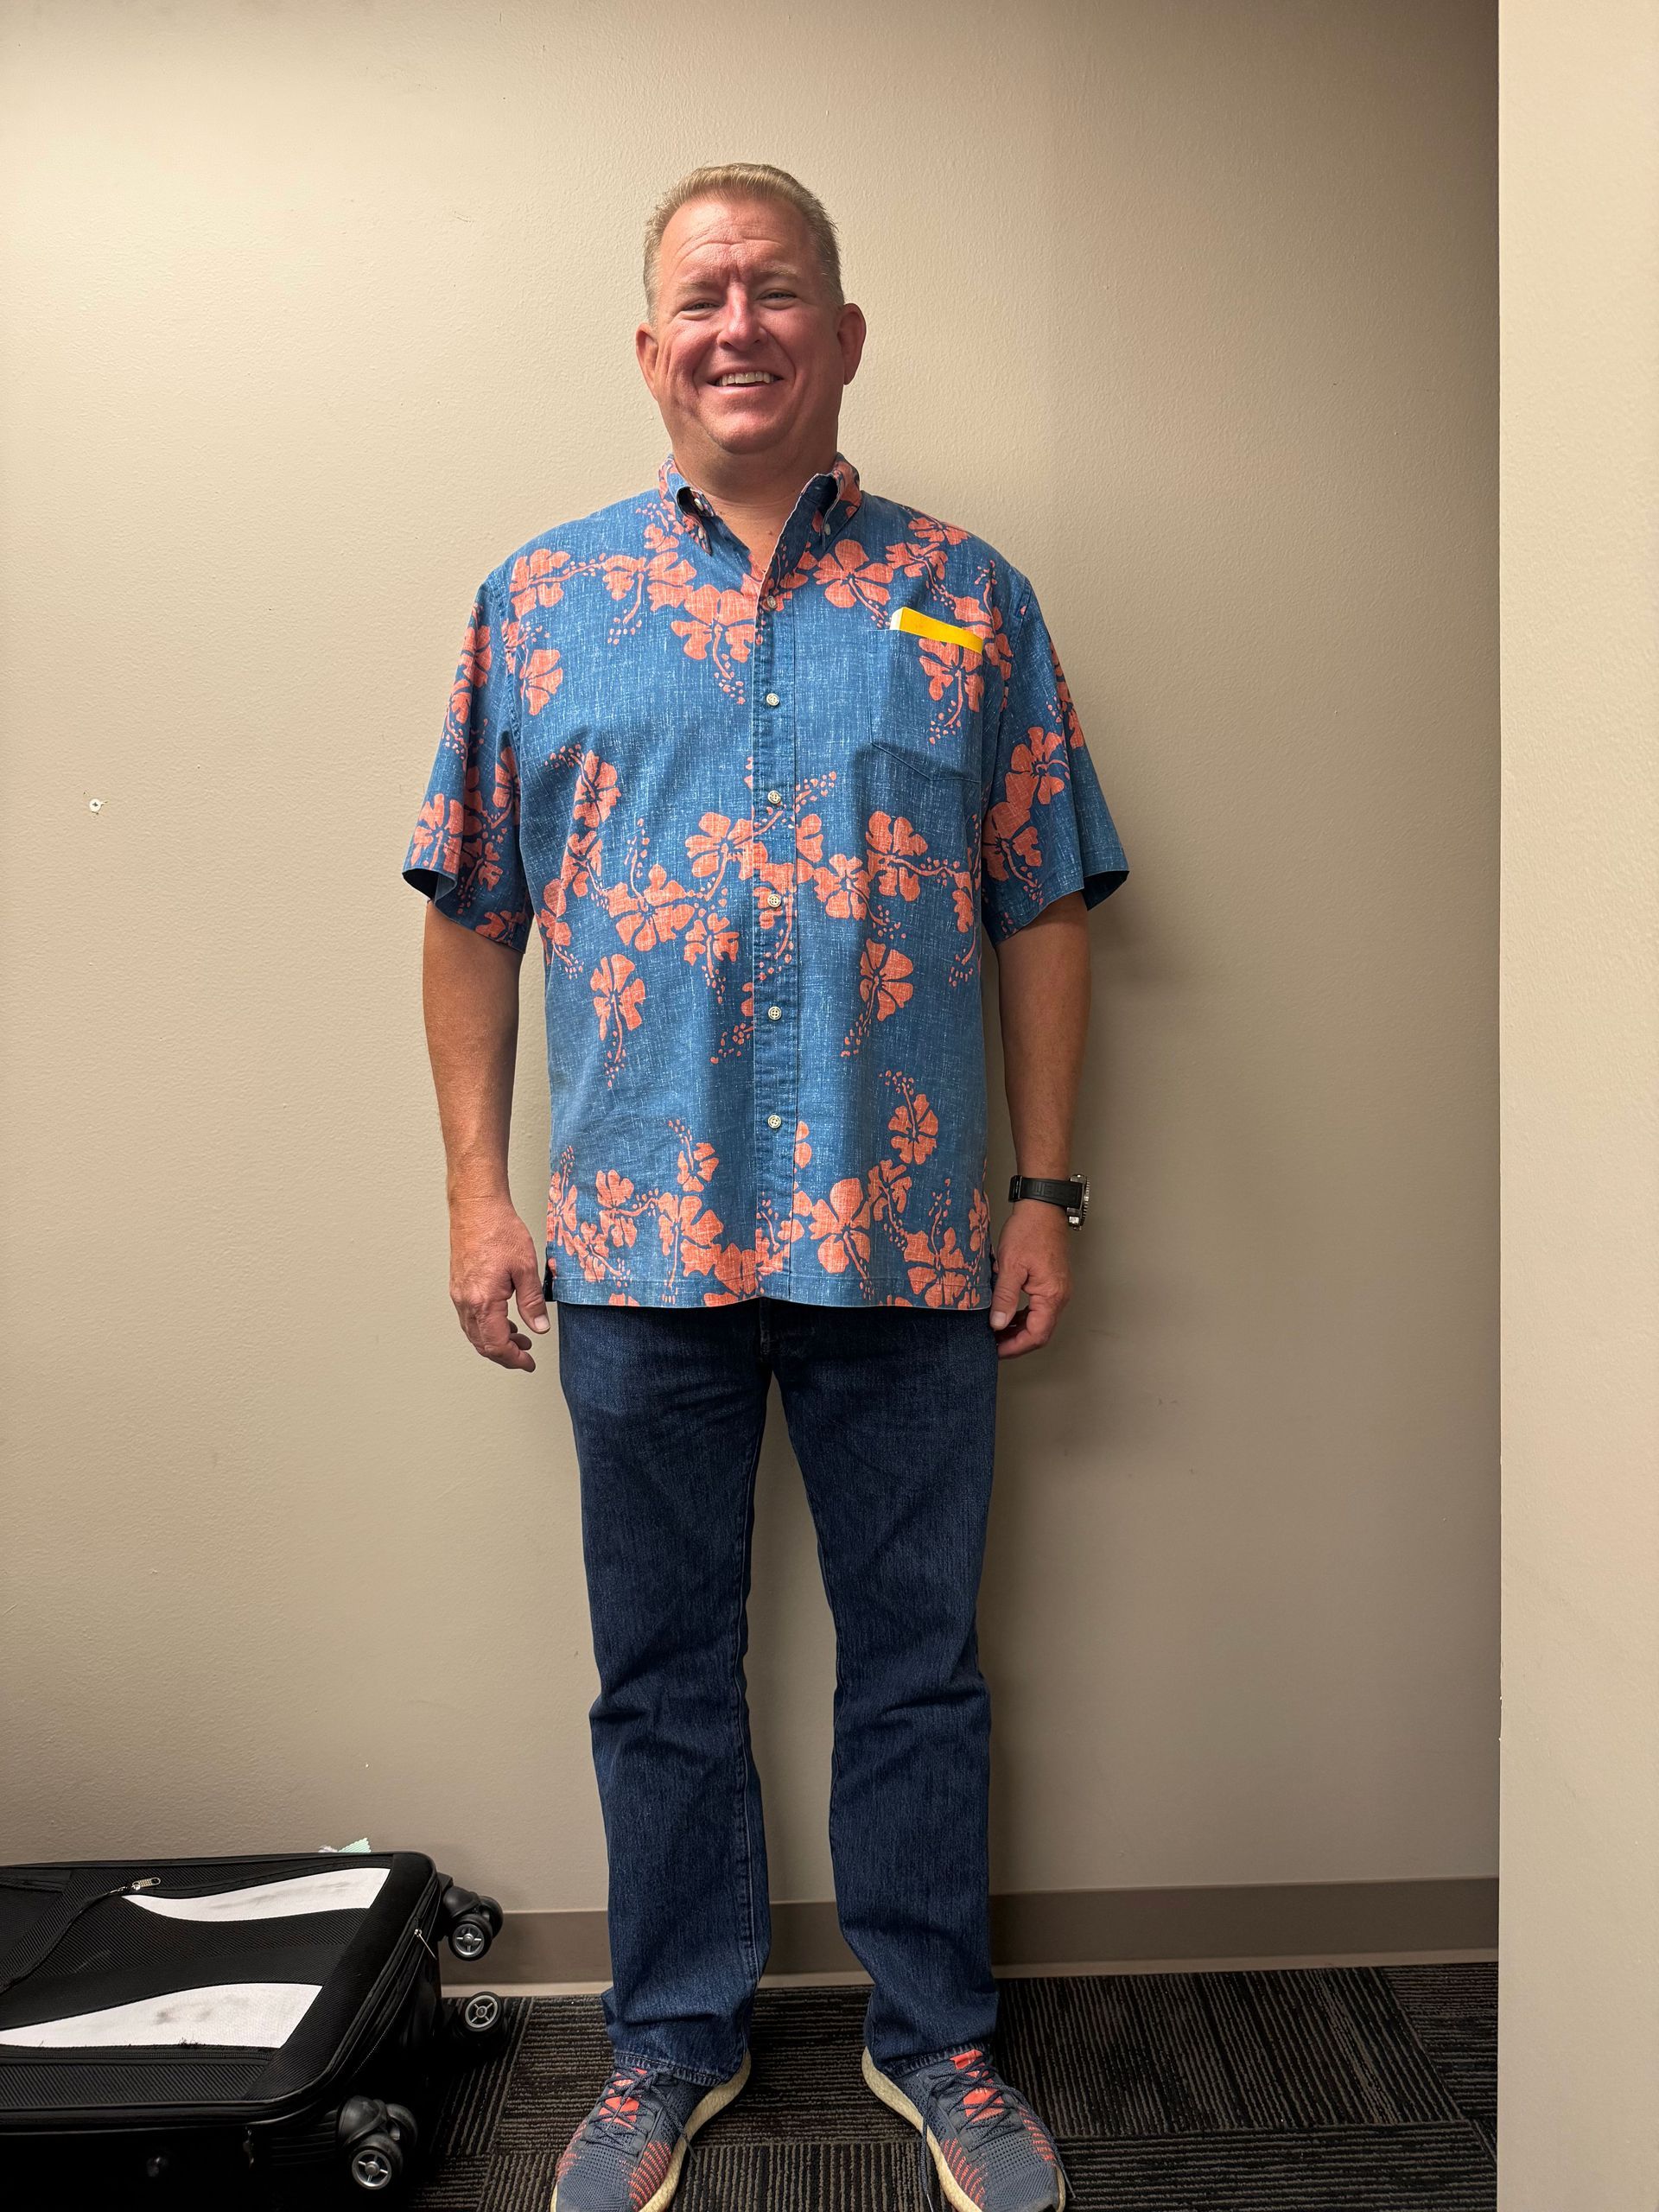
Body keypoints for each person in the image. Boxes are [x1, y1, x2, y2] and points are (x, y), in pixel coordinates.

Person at [404, 162, 1128, 2212]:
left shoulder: (967, 595)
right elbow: (472, 914)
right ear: (651, 349)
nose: (740, 326)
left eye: (777, 290)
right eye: (701, 298)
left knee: (920, 1661)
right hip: (634, 1243)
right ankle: (666, 2045)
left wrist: (1048, 1187)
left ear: (844, 332)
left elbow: (1046, 902)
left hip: (908, 1242)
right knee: (660, 1667)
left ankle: (938, 2035)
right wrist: (478, 1191)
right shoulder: (536, 601)